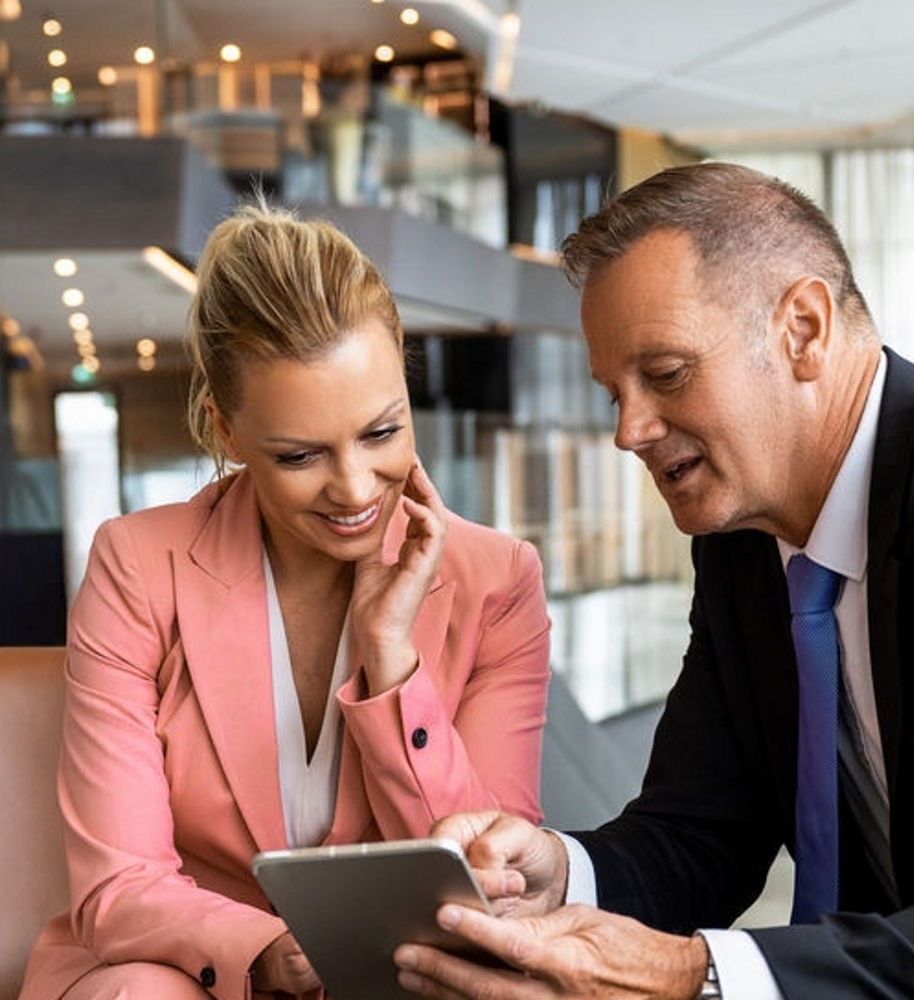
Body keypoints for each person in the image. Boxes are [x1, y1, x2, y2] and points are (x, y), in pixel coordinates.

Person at [391, 162, 914, 1000]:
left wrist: (695, 976)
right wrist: (557, 874)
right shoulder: (740, 547)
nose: (630, 432)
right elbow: (703, 832)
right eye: (614, 394)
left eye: (668, 374)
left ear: (805, 329)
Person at [19, 205, 551, 1000]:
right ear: (224, 430)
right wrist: (271, 949)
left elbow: (489, 882)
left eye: (382, 432)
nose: (353, 489)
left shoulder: (499, 582)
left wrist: (393, 658)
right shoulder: (137, 566)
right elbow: (118, 887)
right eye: (300, 455)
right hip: (176, 976)